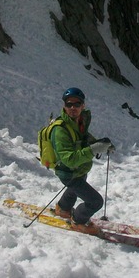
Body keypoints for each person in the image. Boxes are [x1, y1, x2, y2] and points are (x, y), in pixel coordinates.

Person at [51, 87, 115, 234]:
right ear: (64, 106)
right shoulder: (60, 130)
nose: (73, 107)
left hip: (78, 170)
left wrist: (102, 145)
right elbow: (69, 160)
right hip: (68, 172)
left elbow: (83, 138)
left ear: (83, 105)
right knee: (95, 202)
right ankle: (78, 220)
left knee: (75, 187)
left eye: (77, 104)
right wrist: (94, 149)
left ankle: (63, 209)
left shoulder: (79, 121)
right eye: (69, 104)